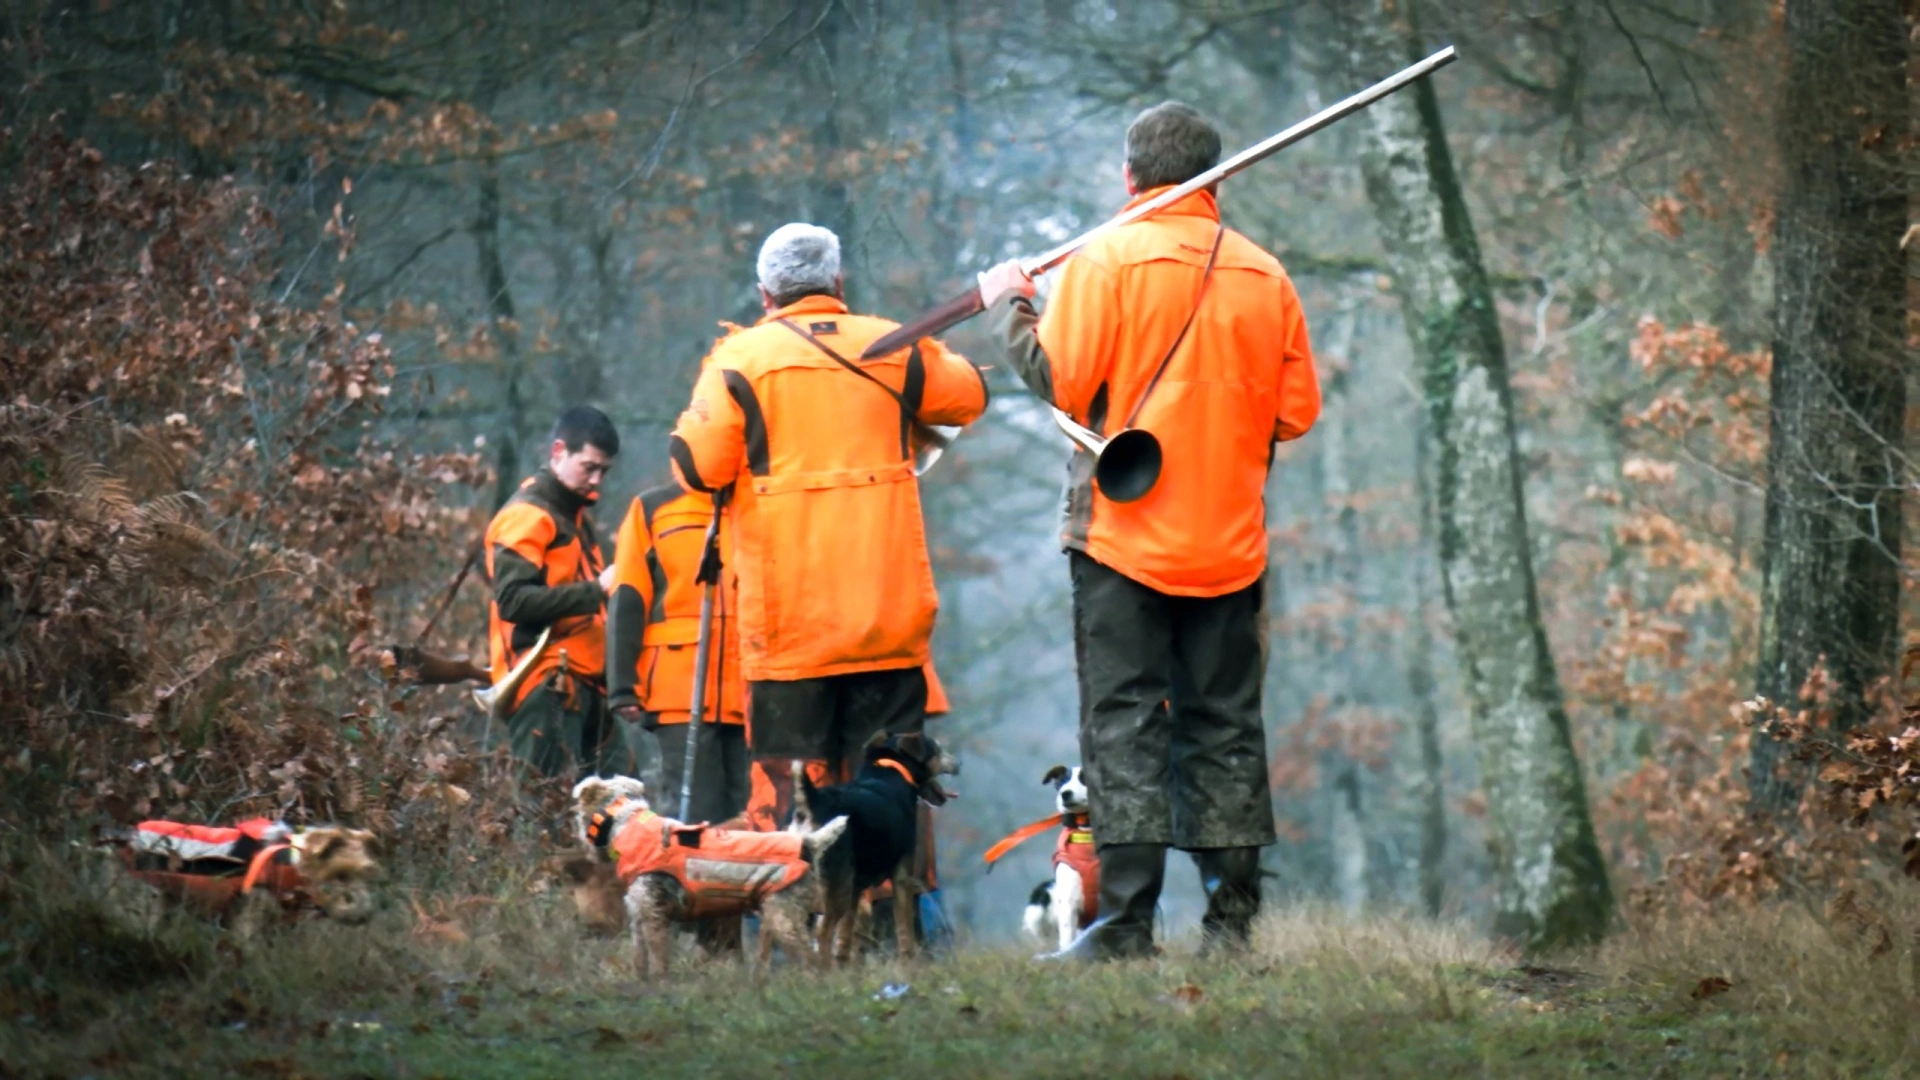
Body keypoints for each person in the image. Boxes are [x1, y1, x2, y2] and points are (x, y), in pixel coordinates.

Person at [976, 101, 1321, 959]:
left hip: (1120, 541)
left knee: (1124, 723)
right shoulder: (1265, 276)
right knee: (1226, 725)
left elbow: (1061, 380)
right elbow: (1297, 414)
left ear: (1130, 179)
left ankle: (1125, 927)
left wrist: (1005, 306)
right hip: (1232, 545)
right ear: (1218, 179)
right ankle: (1233, 928)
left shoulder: (1105, 262)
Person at [668, 222, 987, 817]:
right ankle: (888, 902)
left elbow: (697, 468)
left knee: (791, 790)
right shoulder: (895, 344)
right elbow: (968, 396)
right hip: (884, 616)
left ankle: (795, 898)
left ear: (764, 294)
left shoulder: (739, 359)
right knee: (886, 780)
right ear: (838, 281)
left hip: (789, 622)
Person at [484, 406, 628, 778]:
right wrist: (595, 590)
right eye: (589, 467)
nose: (596, 480)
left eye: (604, 472)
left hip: (587, 689)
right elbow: (514, 601)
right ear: (559, 451)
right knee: (543, 816)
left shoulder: (577, 520)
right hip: (546, 688)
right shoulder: (527, 516)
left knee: (625, 808)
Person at [606, 483, 748, 824]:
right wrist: (623, 684)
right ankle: (681, 877)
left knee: (753, 816)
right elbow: (628, 595)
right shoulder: (653, 508)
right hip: (679, 691)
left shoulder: (761, 502)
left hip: (752, 690)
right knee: (695, 816)